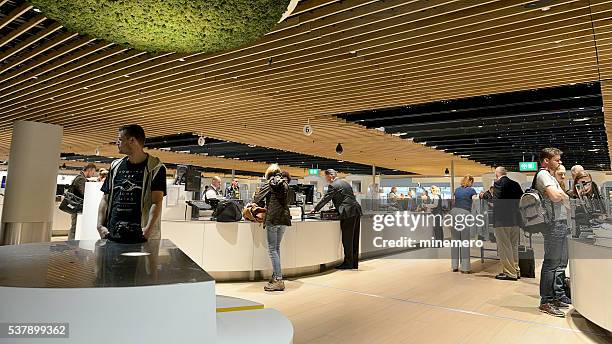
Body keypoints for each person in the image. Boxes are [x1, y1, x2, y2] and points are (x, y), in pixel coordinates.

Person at [97, 124, 167, 243]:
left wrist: (148, 230)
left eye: (120, 139)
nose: (117, 143)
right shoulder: (115, 166)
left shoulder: (155, 168)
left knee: (140, 262)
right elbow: (105, 198)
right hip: (112, 233)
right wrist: (100, 226)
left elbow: (157, 201)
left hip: (140, 235)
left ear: (132, 140)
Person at [535, 148, 571, 317]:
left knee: (557, 263)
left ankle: (554, 297)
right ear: (545, 161)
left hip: (560, 223)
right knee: (550, 263)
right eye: (556, 160)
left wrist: (562, 196)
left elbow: (563, 196)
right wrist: (563, 196)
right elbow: (556, 197)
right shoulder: (543, 175)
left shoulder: (551, 176)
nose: (559, 163)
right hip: (553, 225)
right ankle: (545, 301)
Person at [311, 169, 363, 269]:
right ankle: (353, 263)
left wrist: (315, 209)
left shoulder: (333, 185)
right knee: (354, 238)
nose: (325, 179)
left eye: (325, 177)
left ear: (330, 176)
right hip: (356, 210)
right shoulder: (345, 183)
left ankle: (348, 263)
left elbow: (326, 199)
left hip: (347, 213)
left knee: (347, 239)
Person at [253, 164, 291, 291]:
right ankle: (276, 276)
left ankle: (279, 280)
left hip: (273, 219)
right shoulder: (285, 183)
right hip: (284, 219)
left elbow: (257, 199)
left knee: (272, 249)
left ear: (268, 174)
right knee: (276, 248)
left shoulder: (268, 183)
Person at [491, 167, 524, 281]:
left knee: (504, 247)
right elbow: (521, 200)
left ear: (497, 174)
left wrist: (486, 197)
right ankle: (516, 269)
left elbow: (496, 202)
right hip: (515, 219)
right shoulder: (515, 184)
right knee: (513, 245)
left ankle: (510, 273)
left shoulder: (498, 183)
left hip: (502, 220)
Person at [450, 175, 477, 273]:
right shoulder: (471, 190)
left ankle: (454, 266)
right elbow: (475, 201)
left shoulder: (457, 190)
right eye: (472, 182)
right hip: (465, 213)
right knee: (464, 240)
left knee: (455, 240)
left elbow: (454, 201)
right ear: (470, 181)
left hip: (453, 213)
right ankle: (465, 268)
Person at [67, 163, 97, 240]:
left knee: (75, 226)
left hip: (75, 207)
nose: (93, 174)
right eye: (93, 172)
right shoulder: (81, 179)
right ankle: (71, 244)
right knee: (75, 226)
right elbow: (84, 193)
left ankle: (72, 244)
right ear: (89, 170)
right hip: (77, 207)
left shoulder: (80, 177)